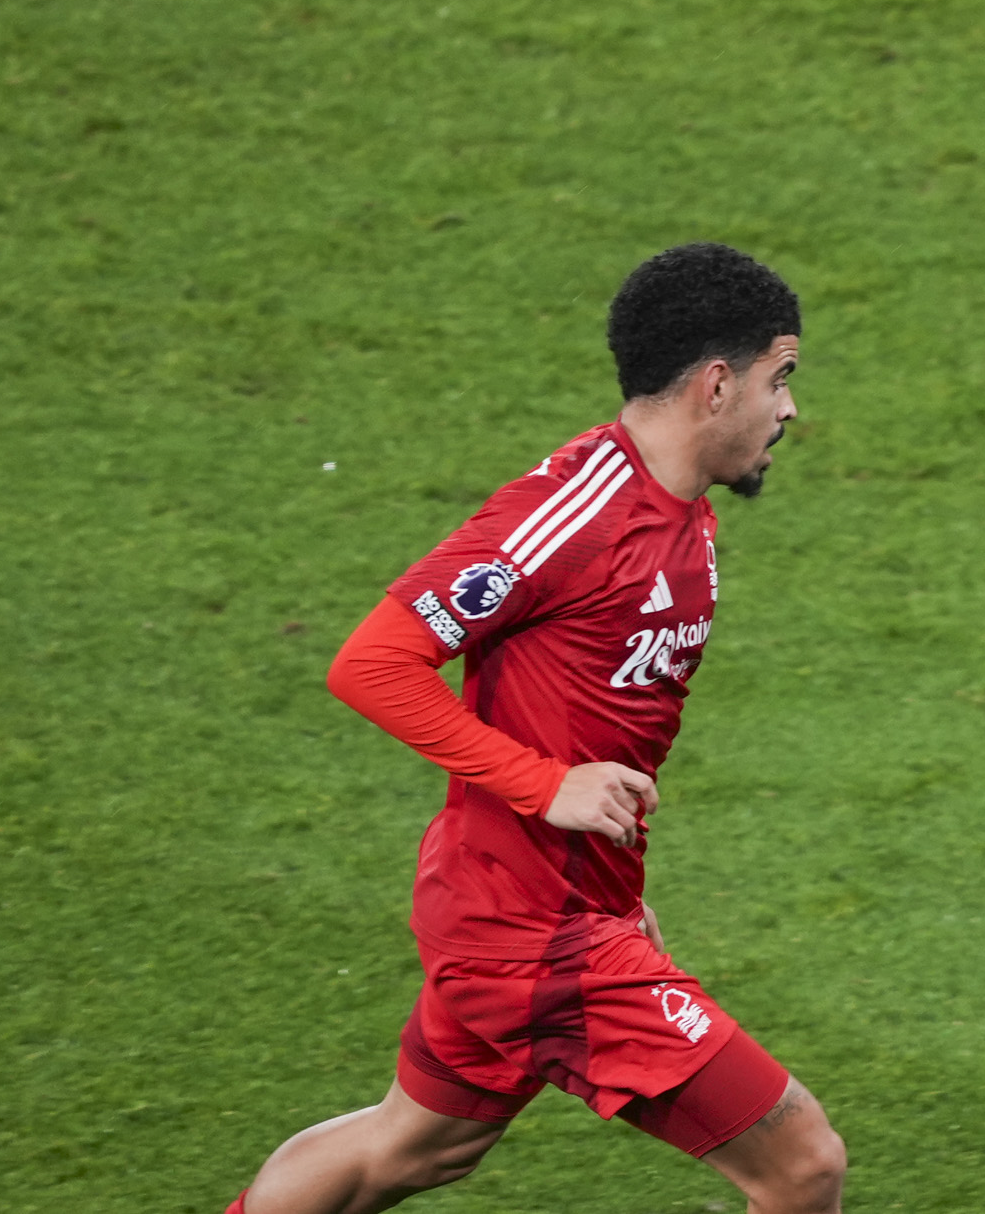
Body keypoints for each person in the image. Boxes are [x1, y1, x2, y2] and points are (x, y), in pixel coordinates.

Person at [225, 243, 845, 1214]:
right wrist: (544, 787)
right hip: (530, 935)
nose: (790, 409)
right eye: (781, 378)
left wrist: (616, 897)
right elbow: (372, 663)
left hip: (537, 908)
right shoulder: (571, 515)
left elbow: (598, 715)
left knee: (406, 1150)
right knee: (803, 1165)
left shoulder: (682, 515)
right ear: (717, 384)